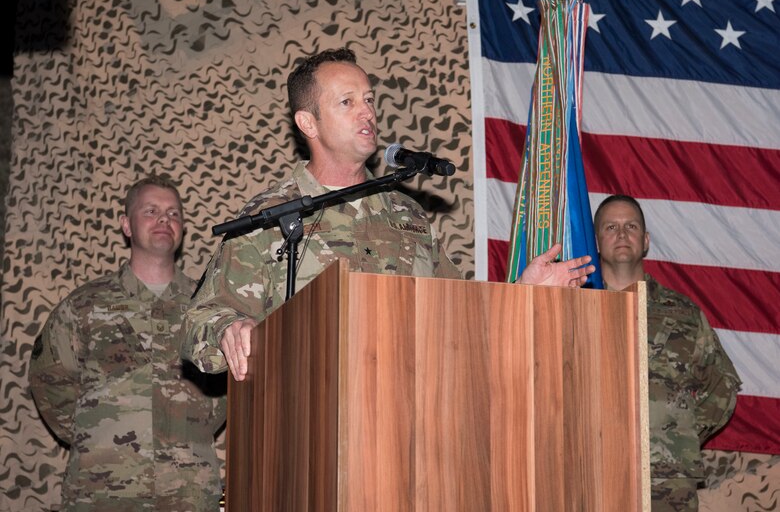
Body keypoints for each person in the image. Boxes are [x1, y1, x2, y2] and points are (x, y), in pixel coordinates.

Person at [181, 47, 594, 381]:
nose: (368, 113)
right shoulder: (272, 217)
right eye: (347, 102)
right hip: (309, 424)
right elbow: (199, 321)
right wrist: (228, 329)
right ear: (308, 122)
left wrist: (523, 293)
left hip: (411, 422)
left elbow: (465, 320)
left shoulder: (407, 215)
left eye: (369, 100)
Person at [29, 175, 226, 511]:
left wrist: (193, 430)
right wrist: (94, 436)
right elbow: (49, 380)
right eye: (151, 211)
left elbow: (227, 388)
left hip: (188, 491)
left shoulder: (207, 307)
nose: (165, 219)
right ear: (127, 225)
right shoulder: (83, 305)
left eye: (174, 213)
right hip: (100, 490)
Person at [594, 194, 741, 512]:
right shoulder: (574, 308)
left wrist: (678, 434)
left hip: (667, 482)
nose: (621, 234)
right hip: (590, 472)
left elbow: (722, 385)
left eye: (631, 226)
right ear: (596, 241)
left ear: (645, 241)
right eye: (611, 227)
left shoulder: (683, 313)